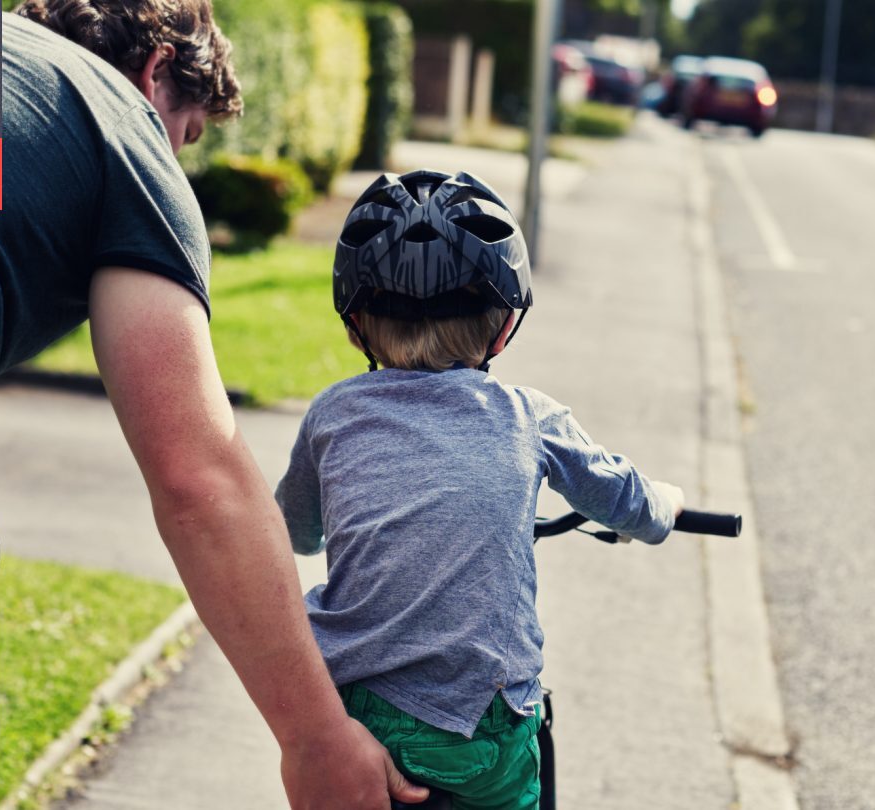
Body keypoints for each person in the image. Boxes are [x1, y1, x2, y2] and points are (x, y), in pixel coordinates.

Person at [0, 0, 426, 806]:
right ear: (157, 71)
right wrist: (316, 739)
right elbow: (197, 479)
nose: (176, 162)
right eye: (187, 135)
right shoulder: (116, 124)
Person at [275, 169, 686, 808]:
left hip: (356, 708)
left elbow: (295, 533)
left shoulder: (332, 415)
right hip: (480, 727)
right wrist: (666, 502)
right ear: (504, 327)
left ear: (354, 325)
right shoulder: (527, 417)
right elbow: (631, 504)